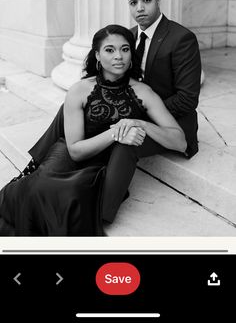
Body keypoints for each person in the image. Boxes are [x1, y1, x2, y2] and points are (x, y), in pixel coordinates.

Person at [0, 25, 186, 236]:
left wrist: (139, 123)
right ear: (97, 55)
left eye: (125, 49)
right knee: (37, 189)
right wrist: (117, 131)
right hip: (72, 152)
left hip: (103, 164)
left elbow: (180, 141)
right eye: (109, 50)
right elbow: (76, 150)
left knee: (68, 195)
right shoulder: (79, 90)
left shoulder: (144, 92)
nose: (119, 56)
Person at [127, 0, 201, 158]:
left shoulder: (182, 38)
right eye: (133, 2)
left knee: (121, 143)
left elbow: (187, 99)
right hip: (134, 115)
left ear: (158, 0)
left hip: (174, 124)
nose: (140, 8)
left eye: (146, 0)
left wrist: (142, 115)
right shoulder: (129, 36)